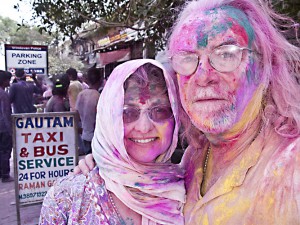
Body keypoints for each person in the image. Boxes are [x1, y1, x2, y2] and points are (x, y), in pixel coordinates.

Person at [75, 0, 300, 224]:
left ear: (266, 66)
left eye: (226, 54)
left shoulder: (292, 167)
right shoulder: (192, 158)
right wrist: (107, 161)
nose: (203, 76)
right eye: (188, 58)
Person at [39, 59, 185, 224]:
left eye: (160, 111)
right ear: (108, 116)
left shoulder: (192, 189)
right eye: (128, 112)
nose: (144, 127)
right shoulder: (66, 199)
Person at [75, 67, 103, 154]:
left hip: (85, 135)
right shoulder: (98, 96)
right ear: (100, 80)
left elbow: (77, 114)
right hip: (96, 137)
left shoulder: (81, 94)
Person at [0, 71, 14, 182]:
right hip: (3, 128)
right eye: (8, 80)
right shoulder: (3, 94)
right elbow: (5, 113)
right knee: (5, 151)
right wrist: (10, 131)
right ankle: (5, 175)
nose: (9, 82)